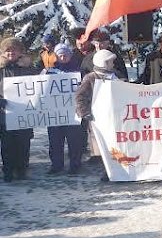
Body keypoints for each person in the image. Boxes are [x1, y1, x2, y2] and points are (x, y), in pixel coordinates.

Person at [75, 49, 122, 181]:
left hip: (115, 116)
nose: (113, 64)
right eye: (110, 61)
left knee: (116, 143)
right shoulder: (91, 78)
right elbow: (80, 97)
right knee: (104, 146)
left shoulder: (115, 75)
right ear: (104, 62)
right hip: (99, 118)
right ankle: (108, 172)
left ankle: (119, 169)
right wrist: (84, 112)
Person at [43, 44, 86, 176]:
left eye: (65, 54)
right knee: (55, 141)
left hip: (73, 112)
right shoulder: (48, 71)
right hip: (55, 113)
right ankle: (56, 165)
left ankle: (75, 165)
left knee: (75, 141)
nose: (63, 57)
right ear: (56, 55)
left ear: (70, 55)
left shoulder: (79, 71)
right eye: (60, 54)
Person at [0, 37, 36, 182]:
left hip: (24, 113)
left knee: (23, 143)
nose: (11, 53)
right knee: (7, 144)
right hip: (4, 113)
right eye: (7, 50)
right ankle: (8, 171)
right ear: (3, 52)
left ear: (20, 52)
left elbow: (39, 84)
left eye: (13, 50)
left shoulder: (28, 68)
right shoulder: (1, 69)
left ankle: (22, 170)